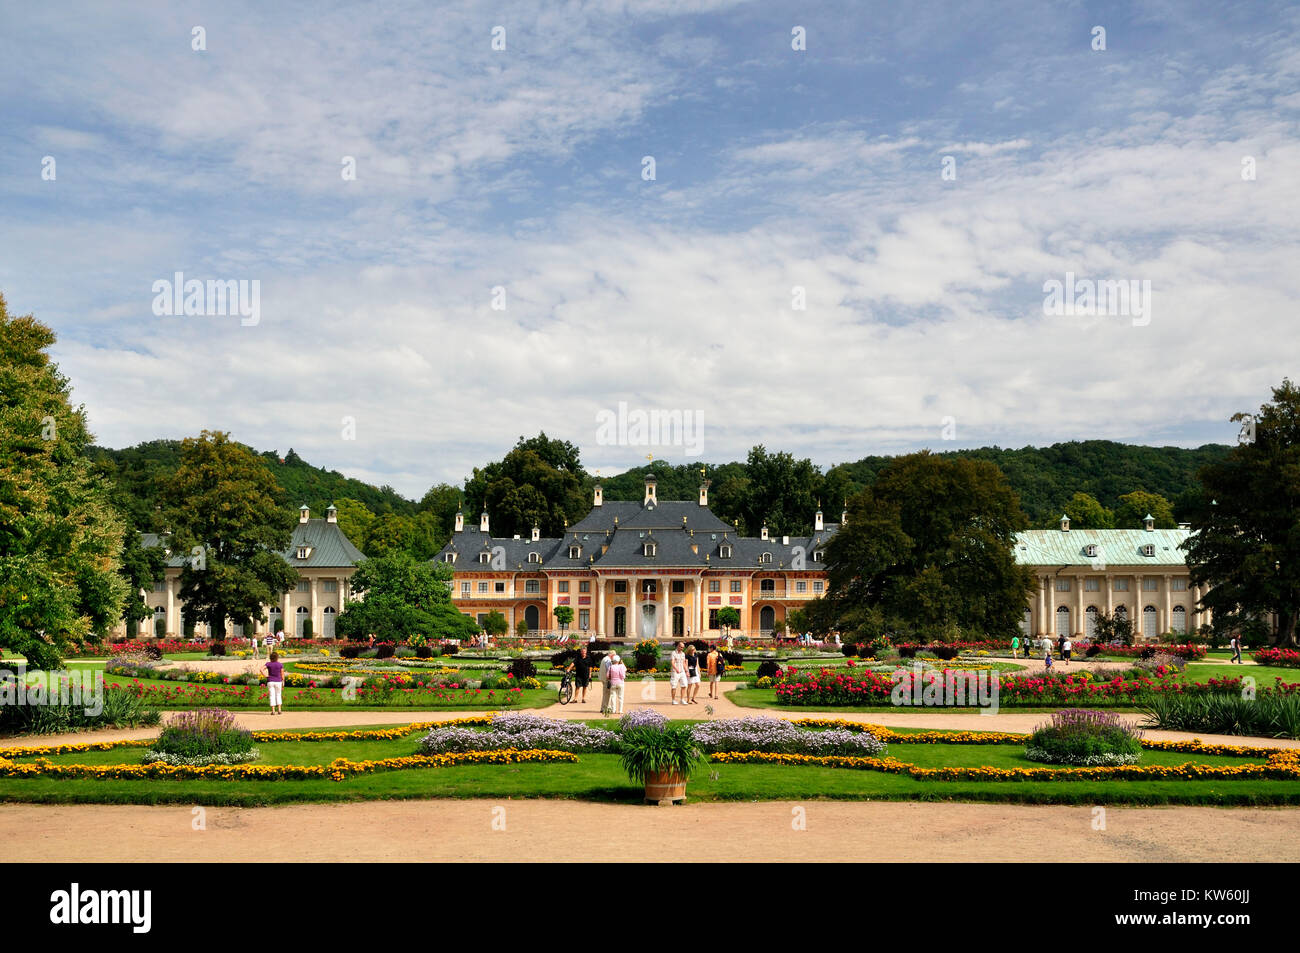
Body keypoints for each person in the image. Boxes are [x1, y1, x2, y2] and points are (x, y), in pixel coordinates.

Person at [264, 651, 285, 715]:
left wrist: (265, 676)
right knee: (278, 695)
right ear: (277, 657)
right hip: (278, 681)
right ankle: (279, 710)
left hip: (270, 681)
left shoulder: (268, 664)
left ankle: (273, 711)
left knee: (272, 695)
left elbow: (261, 669)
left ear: (270, 657)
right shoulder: (280, 664)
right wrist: (283, 682)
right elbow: (282, 674)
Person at [598, 649, 615, 716]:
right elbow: (609, 670)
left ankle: (603, 708)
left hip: (603, 678)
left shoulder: (604, 659)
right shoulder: (608, 660)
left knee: (605, 694)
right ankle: (605, 708)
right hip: (606, 679)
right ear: (612, 655)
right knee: (607, 694)